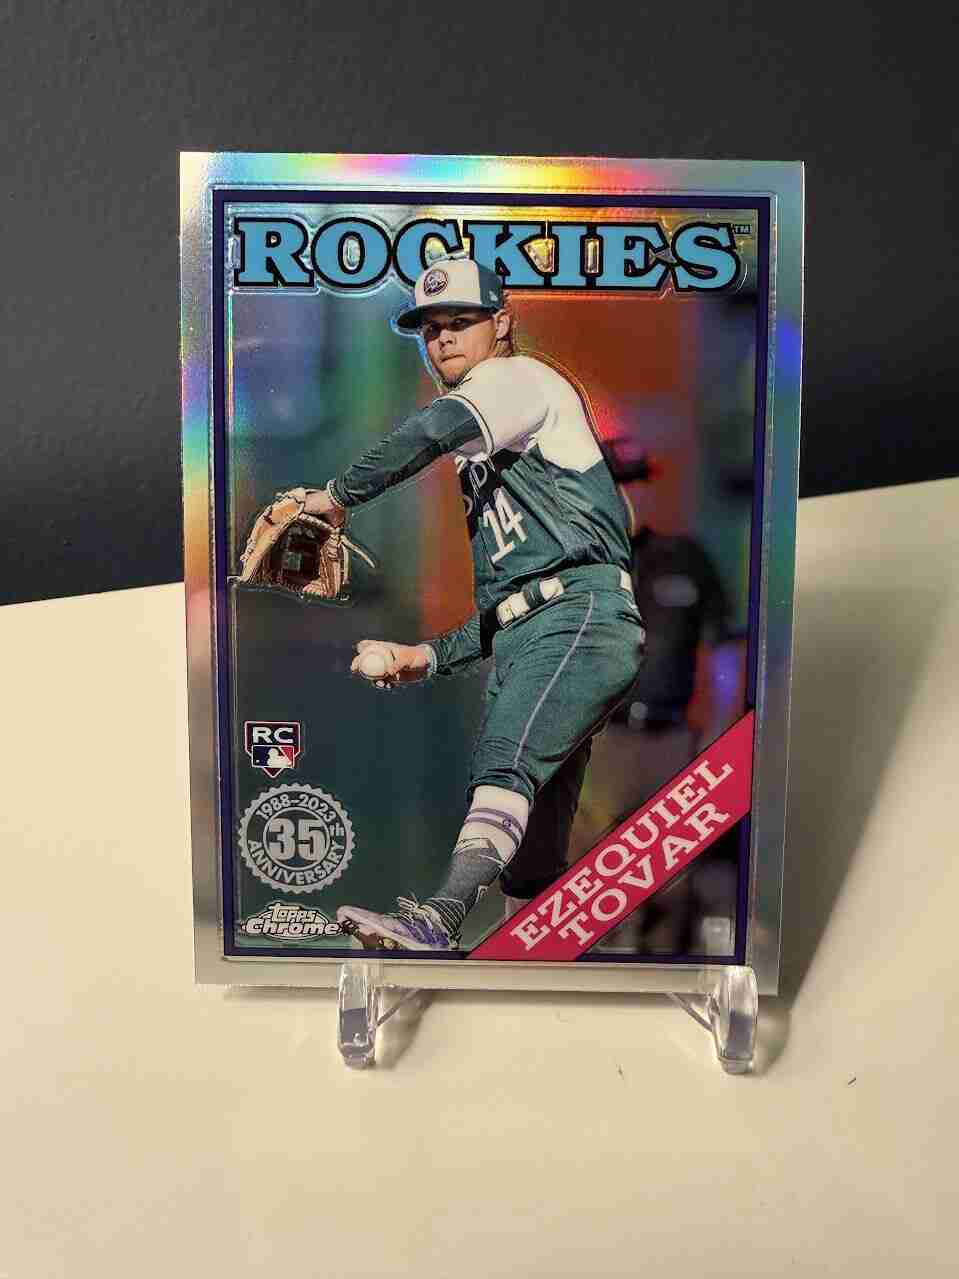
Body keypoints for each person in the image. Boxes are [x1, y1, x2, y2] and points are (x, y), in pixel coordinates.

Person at [303, 254, 645, 951]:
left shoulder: (515, 380)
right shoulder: (486, 447)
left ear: (502, 324)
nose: (444, 338)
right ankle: (537, 952)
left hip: (580, 620)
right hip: (540, 628)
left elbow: (429, 433)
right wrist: (426, 656)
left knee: (502, 765)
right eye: (431, 329)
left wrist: (338, 496)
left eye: (461, 321)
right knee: (529, 858)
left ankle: (438, 918)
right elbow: (510, 606)